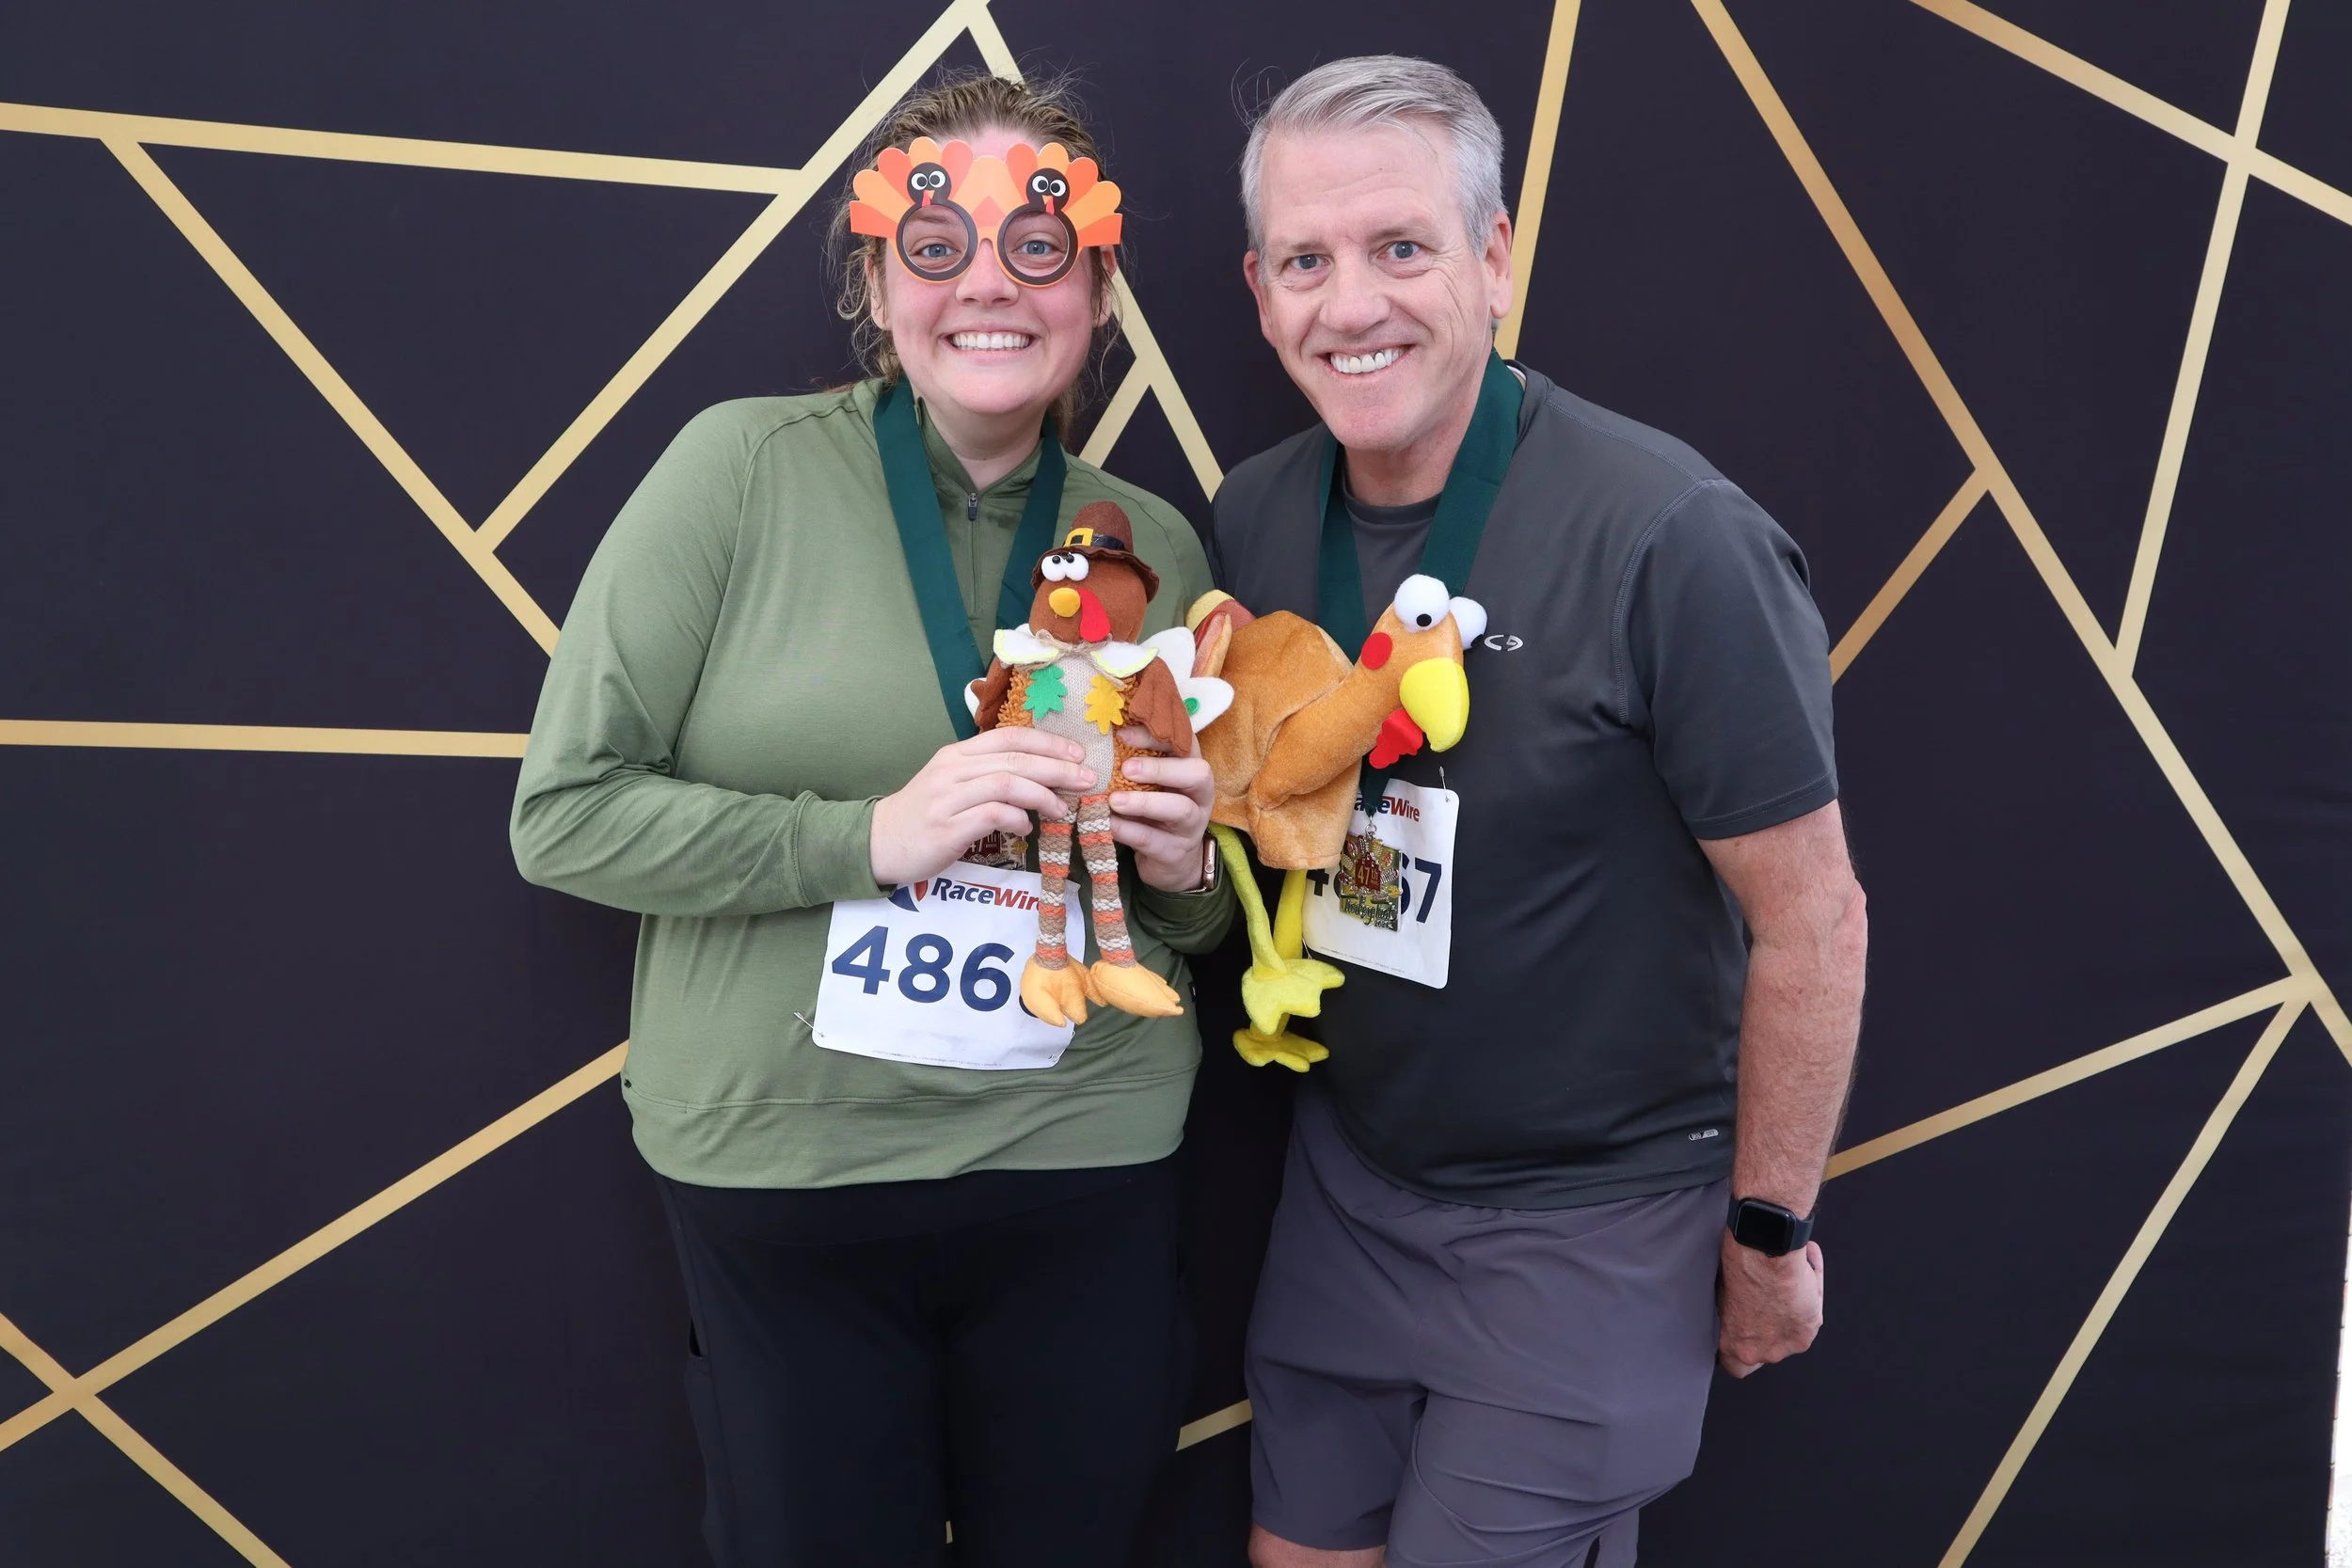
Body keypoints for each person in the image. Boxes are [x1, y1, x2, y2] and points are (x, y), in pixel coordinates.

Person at [510, 72, 1232, 1568]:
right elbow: (566, 814)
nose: (989, 284)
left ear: (1096, 289)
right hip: (790, 1174)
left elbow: (1186, 917)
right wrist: (868, 837)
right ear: (877, 280)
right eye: (938, 245)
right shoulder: (740, 470)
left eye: (1038, 247)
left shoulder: (1150, 540)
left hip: (1081, 1159)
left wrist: (1183, 869)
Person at [1209, 57, 1868, 1567]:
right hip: (1352, 1179)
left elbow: (1815, 919)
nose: (1351, 303)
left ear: (1494, 256)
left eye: (1400, 247)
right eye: (1306, 261)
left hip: (1594, 1217)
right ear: (1259, 291)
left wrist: (1769, 1231)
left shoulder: (1673, 536)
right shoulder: (1252, 516)